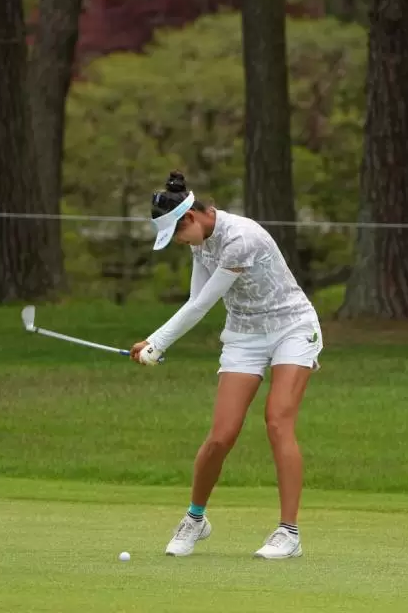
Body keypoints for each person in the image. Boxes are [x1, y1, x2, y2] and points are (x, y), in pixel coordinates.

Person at [130, 171, 323, 560]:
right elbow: (195, 299)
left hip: (293, 326)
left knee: (277, 420)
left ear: (192, 218)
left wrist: (158, 340)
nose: (180, 243)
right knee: (221, 435)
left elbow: (202, 307)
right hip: (244, 335)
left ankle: (289, 533)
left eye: (179, 235)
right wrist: (157, 342)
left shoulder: (240, 239)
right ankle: (196, 519)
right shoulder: (200, 242)